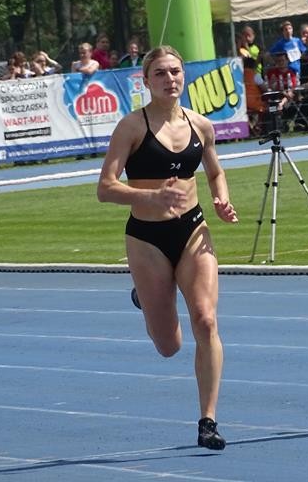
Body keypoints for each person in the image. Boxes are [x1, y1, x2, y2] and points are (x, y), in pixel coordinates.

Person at [97, 45, 238, 450]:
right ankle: (145, 297)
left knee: (206, 320)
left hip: (193, 231)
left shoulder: (201, 125)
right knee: (168, 345)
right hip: (147, 238)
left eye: (175, 71)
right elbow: (105, 188)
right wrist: (151, 196)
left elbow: (215, 172)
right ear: (146, 81)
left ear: (184, 76)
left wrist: (222, 199)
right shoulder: (131, 127)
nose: (169, 79)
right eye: (160, 73)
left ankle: (208, 421)